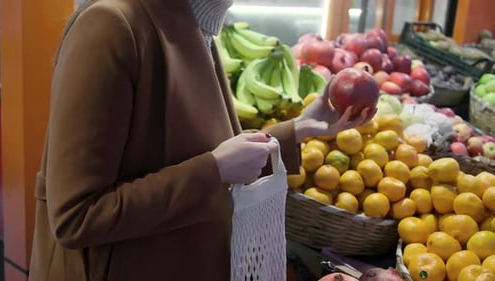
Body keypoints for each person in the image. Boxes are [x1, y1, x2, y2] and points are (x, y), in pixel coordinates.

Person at [28, 0, 374, 280]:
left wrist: (299, 129)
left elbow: (194, 149)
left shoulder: (195, 25)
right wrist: (215, 170)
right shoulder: (111, 25)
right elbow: (76, 217)